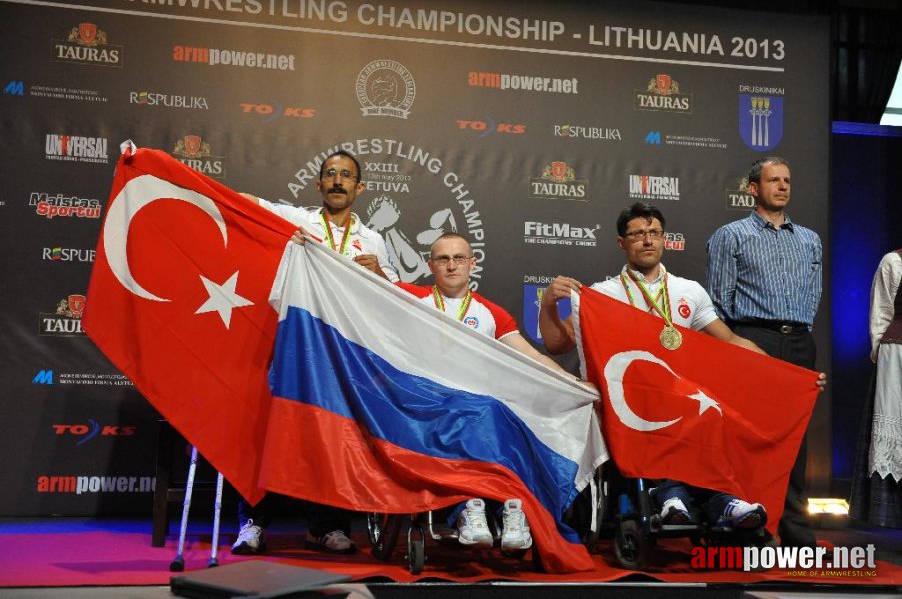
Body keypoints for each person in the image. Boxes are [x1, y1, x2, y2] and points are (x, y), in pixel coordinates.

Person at [538, 202, 770, 529]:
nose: (647, 240)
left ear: (664, 239)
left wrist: (780, 371)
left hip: (681, 394)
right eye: (637, 234)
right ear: (622, 243)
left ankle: (721, 501)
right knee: (668, 406)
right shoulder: (603, 295)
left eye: (654, 233)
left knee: (710, 408)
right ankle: (671, 494)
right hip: (628, 399)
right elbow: (557, 344)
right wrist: (548, 305)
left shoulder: (689, 291)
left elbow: (730, 342)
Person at [232, 149, 400, 555]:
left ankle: (326, 527)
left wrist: (379, 274)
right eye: (330, 174)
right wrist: (173, 174)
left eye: (346, 175)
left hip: (344, 352)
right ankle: (253, 523)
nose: (337, 181)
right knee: (275, 431)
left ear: (359, 188)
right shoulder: (297, 220)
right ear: (318, 183)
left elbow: (396, 293)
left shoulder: (373, 239)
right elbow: (245, 203)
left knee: (335, 435)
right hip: (296, 343)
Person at [396, 232, 585, 551]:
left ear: (473, 263)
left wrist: (575, 384)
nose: (451, 265)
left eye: (459, 258)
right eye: (443, 259)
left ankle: (509, 507)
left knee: (505, 415)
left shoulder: (492, 314)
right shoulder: (407, 298)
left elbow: (534, 357)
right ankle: (472, 506)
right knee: (487, 412)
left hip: (480, 409)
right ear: (430, 265)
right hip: (426, 408)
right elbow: (358, 289)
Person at [705, 156, 823, 547]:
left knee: (795, 438)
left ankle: (796, 531)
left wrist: (801, 337)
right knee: (748, 436)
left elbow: (814, 293)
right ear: (753, 188)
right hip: (752, 337)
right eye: (774, 180)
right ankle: (751, 526)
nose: (783, 186)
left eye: (787, 180)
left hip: (799, 339)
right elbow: (719, 302)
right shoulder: (731, 235)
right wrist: (735, 346)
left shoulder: (809, 239)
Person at [851, 249, 902, 527]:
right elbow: (881, 313)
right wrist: (881, 354)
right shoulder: (894, 261)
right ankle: (889, 513)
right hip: (897, 361)